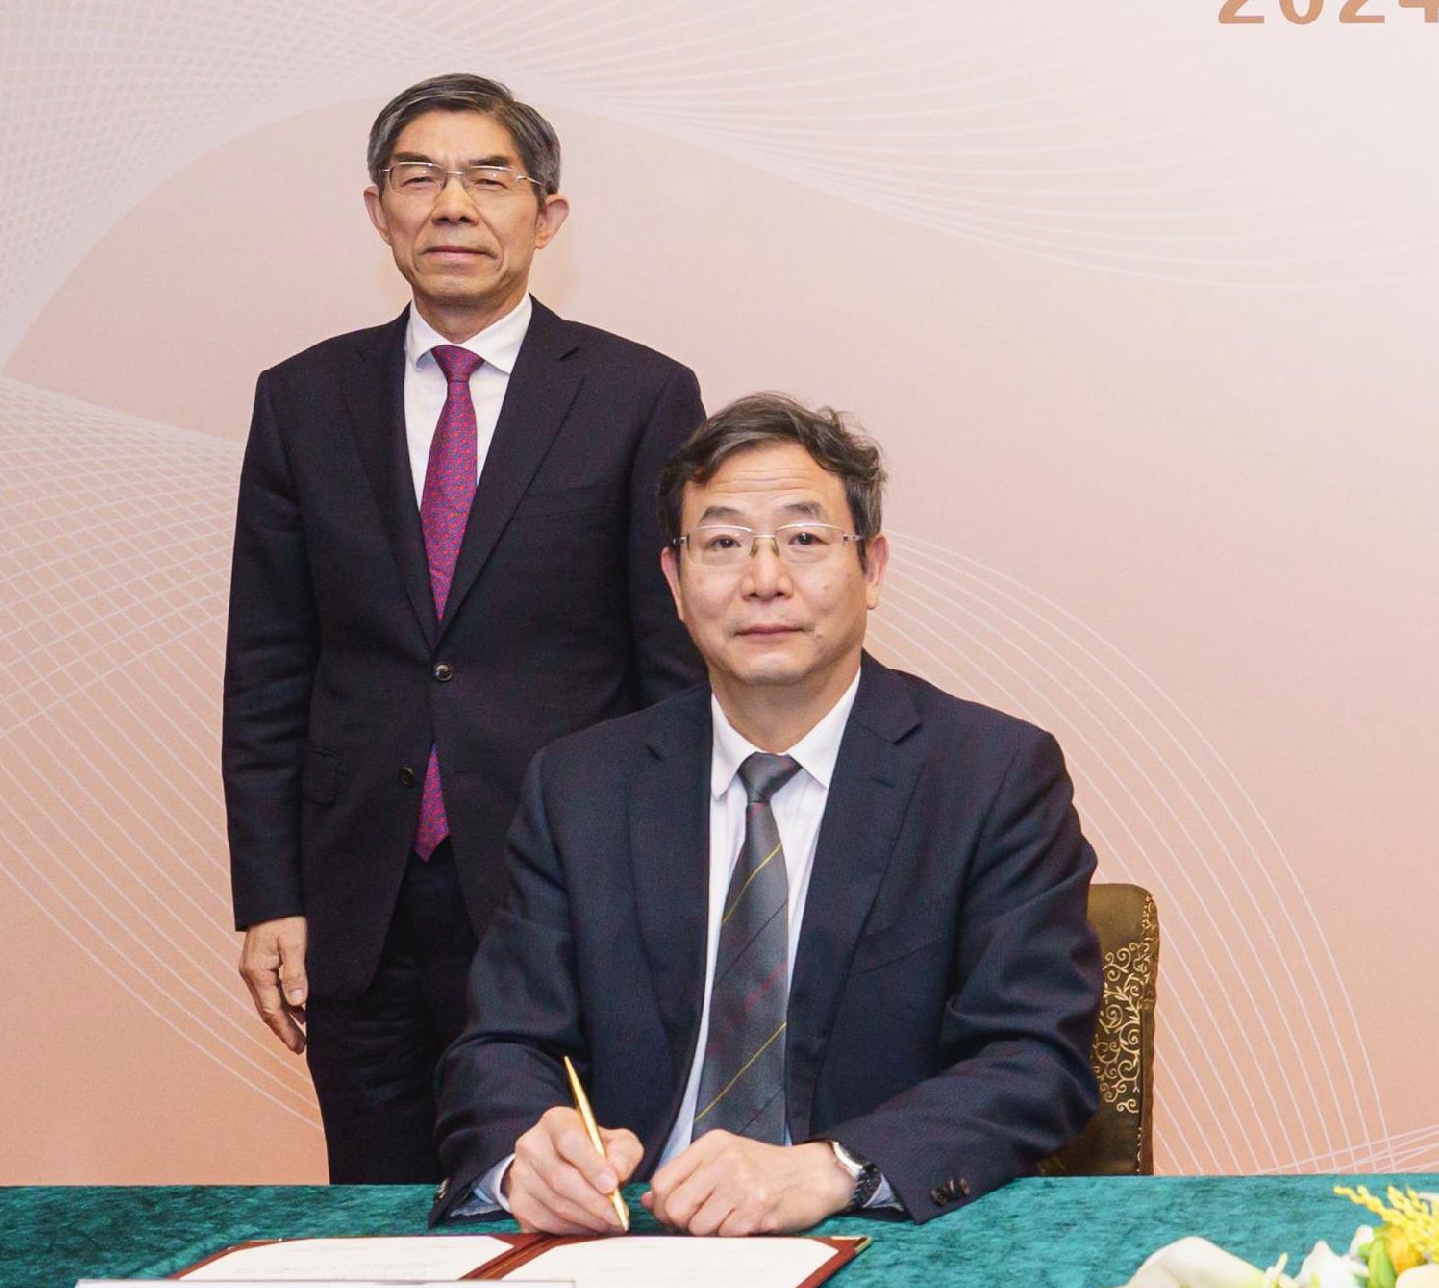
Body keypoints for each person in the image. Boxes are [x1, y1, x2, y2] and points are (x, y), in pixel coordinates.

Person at [435, 395, 1103, 1233]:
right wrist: (527, 1152)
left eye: (806, 539)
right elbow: (499, 1046)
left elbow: (1035, 1059)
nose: (764, 579)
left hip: (871, 1241)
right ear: (676, 583)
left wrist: (833, 1170)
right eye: (722, 544)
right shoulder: (581, 786)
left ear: (874, 568)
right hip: (628, 1242)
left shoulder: (991, 776)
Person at [223, 75, 707, 1183]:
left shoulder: (638, 394)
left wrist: (661, 894)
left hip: (565, 885)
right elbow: (268, 665)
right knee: (382, 1208)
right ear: (376, 208)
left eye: (489, 179)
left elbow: (672, 667)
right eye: (420, 177)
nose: (453, 205)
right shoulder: (302, 399)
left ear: (547, 216)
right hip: (360, 901)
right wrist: (272, 896)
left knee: (567, 1199)